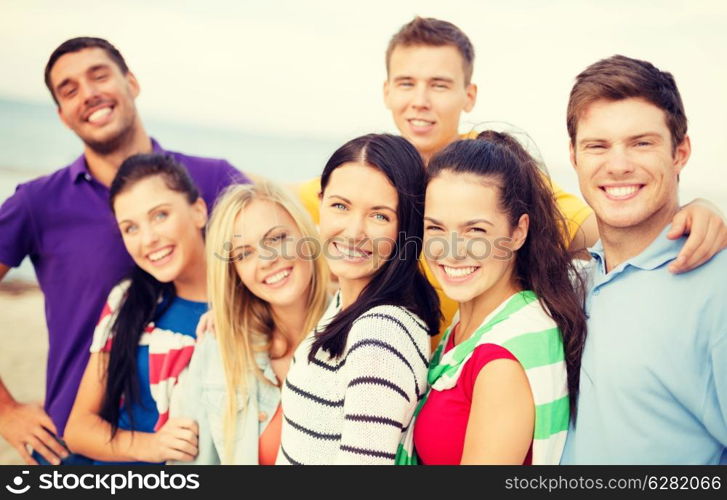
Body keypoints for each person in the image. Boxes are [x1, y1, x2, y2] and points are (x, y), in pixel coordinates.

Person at [295, 17, 727, 348]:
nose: (420, 100)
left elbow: (593, 227)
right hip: (424, 373)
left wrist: (685, 215)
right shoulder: (369, 177)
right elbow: (269, 215)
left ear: (469, 95)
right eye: (407, 83)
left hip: (485, 370)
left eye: (440, 84)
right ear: (387, 91)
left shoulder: (489, 169)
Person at [0, 37, 248, 465]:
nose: (88, 93)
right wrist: (6, 412)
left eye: (99, 75)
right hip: (76, 451)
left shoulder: (213, 179)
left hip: (202, 444)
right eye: (69, 89)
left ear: (131, 82)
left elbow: (281, 271)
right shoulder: (37, 204)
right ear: (61, 115)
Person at [559, 55, 727, 464]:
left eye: (642, 143)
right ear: (574, 156)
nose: (618, 165)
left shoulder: (717, 289)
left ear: (680, 152)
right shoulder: (570, 281)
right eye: (597, 146)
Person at [397, 131, 586, 465]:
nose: (451, 251)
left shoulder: (502, 358)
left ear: (518, 232)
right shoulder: (477, 322)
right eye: (436, 228)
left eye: (476, 231)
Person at [276, 134, 440, 465]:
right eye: (340, 206)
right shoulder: (345, 305)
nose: (353, 231)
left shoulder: (380, 333)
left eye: (379, 216)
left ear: (406, 227)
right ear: (320, 204)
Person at [63, 154, 209, 464]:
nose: (149, 240)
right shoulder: (128, 300)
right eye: (130, 228)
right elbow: (79, 428)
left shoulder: (248, 301)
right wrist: (152, 445)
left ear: (198, 211)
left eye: (160, 216)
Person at [177, 181, 328, 464]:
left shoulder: (362, 333)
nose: (266, 260)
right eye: (244, 254)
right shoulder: (218, 347)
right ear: (235, 273)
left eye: (277, 238)